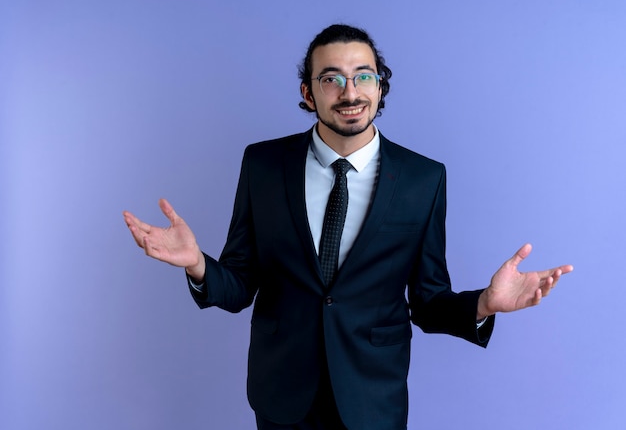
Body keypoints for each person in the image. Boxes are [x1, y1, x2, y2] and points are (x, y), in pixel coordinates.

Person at [123, 24, 573, 430]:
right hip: (281, 395)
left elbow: (428, 302)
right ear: (308, 93)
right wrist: (198, 264)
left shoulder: (423, 178)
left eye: (363, 76)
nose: (350, 91)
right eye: (331, 79)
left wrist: (483, 305)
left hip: (372, 397)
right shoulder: (263, 165)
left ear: (380, 86)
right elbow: (240, 286)